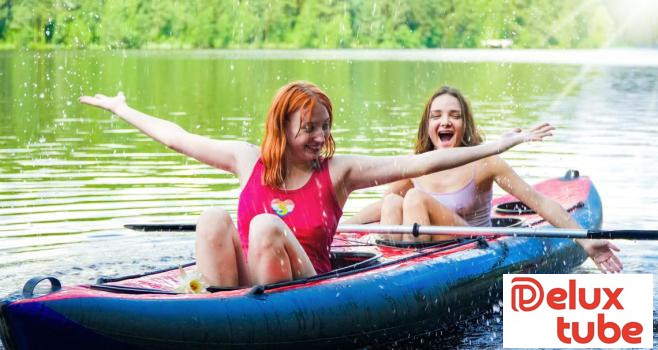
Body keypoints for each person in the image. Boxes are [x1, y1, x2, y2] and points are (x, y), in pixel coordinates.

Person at [79, 81, 554, 287]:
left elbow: (421, 165)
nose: (321, 137)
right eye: (310, 128)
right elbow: (177, 139)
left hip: (306, 287)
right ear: (282, 130)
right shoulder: (247, 160)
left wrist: (497, 146)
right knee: (212, 219)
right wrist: (122, 110)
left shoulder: (338, 172)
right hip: (245, 289)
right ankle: (214, 313)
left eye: (325, 126)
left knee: (264, 227)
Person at [343, 86, 623, 274]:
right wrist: (339, 228)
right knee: (393, 199)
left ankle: (410, 279)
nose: (445, 122)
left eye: (455, 116)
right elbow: (380, 207)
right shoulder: (416, 165)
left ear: (465, 124)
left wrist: (587, 243)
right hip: (412, 257)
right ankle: (396, 273)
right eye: (436, 116)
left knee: (414, 197)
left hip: (470, 248)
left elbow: (540, 203)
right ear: (427, 125)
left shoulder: (485, 163)